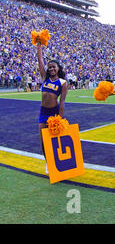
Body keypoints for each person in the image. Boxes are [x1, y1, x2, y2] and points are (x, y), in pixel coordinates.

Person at [37, 42, 68, 174]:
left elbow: (62, 102)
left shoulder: (62, 83)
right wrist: (39, 46)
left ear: (58, 68)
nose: (51, 69)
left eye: (53, 67)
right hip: (43, 112)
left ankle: (56, 162)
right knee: (43, 141)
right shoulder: (45, 78)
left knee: (54, 140)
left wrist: (59, 119)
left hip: (54, 114)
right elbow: (40, 61)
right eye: (49, 67)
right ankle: (48, 162)